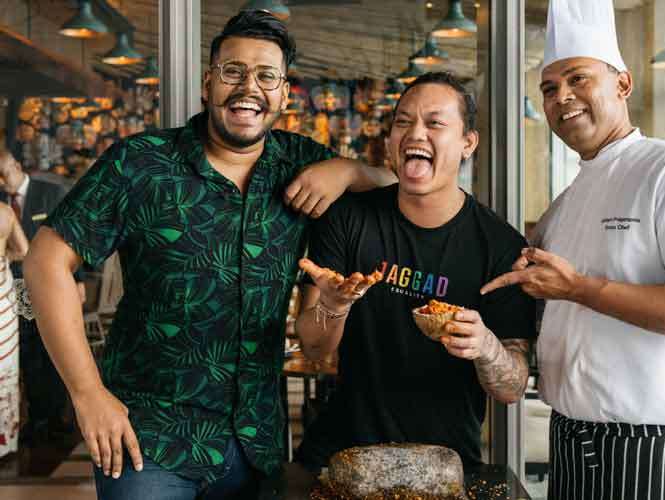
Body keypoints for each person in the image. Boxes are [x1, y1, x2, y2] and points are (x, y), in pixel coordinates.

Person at [23, 10, 394, 500]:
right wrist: (87, 393)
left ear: (285, 94)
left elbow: (398, 187)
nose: (249, 88)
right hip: (148, 439)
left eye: (267, 76)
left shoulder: (301, 161)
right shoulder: (141, 163)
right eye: (233, 71)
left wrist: (348, 170)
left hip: (253, 442)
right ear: (208, 83)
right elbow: (45, 260)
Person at [481, 1, 665, 498]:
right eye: (549, 88)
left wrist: (578, 288)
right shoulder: (565, 203)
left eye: (578, 78)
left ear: (623, 84)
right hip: (570, 436)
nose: (562, 97)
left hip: (654, 444)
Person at [293, 72, 536, 471]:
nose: (415, 133)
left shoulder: (500, 246)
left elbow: (511, 388)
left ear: (467, 143)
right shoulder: (349, 219)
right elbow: (314, 348)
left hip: (441, 465)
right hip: (343, 456)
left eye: (435, 123)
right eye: (403, 122)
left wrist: (487, 347)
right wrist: (333, 307)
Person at [0, 150, 85, 445]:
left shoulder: (49, 193)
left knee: (53, 347)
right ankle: (36, 419)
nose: (3, 182)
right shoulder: (2, 202)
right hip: (13, 287)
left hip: (49, 282)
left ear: (17, 166)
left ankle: (58, 418)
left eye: (5, 174)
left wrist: (78, 280)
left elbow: (70, 238)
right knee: (27, 351)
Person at [0, 200, 27, 458]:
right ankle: (5, 440)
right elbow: (25, 250)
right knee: (6, 365)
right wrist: (6, 256)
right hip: (3, 292)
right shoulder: (6, 212)